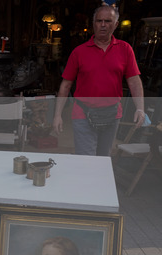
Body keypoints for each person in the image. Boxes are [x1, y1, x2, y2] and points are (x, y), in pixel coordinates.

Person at [52, 5, 145, 156]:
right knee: (86, 159)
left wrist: (140, 108)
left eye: (107, 21)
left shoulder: (125, 49)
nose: (102, 25)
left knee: (104, 157)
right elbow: (65, 86)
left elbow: (134, 81)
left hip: (112, 113)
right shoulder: (79, 52)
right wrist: (57, 115)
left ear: (116, 25)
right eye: (99, 20)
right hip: (83, 112)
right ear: (93, 23)